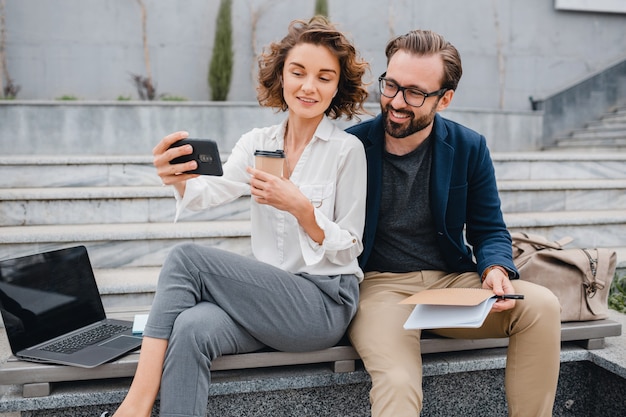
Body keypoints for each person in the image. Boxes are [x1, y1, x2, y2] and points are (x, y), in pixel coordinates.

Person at [104, 16, 369, 417]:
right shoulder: (258, 143)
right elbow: (211, 192)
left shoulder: (347, 151)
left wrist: (300, 208)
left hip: (322, 304)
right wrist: (177, 177)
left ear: (337, 87)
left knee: (185, 259)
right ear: (281, 75)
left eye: (324, 77)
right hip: (266, 300)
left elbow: (350, 244)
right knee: (191, 328)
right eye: (298, 72)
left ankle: (135, 406)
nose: (309, 86)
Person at [345, 29, 562, 417]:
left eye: (414, 93)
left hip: (450, 285)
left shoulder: (468, 146)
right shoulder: (351, 147)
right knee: (396, 380)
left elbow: (489, 227)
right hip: (379, 289)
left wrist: (495, 267)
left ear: (444, 99)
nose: (395, 102)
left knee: (541, 305)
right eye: (391, 85)